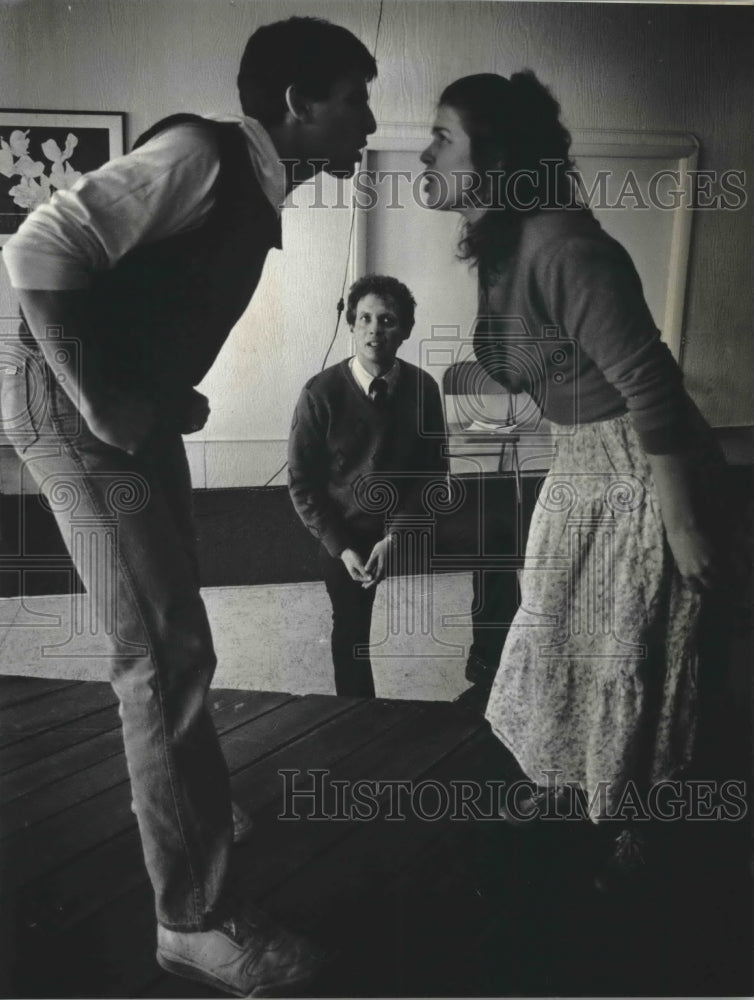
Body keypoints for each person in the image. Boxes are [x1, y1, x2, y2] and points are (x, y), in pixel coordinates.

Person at [0, 16, 376, 995]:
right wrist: (105, 399)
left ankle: (189, 797)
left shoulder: (250, 183)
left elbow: (139, 297)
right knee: (156, 658)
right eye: (355, 97)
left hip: (119, 406)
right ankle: (193, 922)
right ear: (297, 105)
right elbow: (36, 247)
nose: (368, 120)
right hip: (68, 402)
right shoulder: (205, 153)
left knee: (179, 641)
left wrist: (155, 390)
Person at [419, 71, 728, 889]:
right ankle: (587, 807)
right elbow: (531, 365)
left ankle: (642, 841)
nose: (426, 151)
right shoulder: (506, 244)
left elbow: (652, 387)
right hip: (584, 466)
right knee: (560, 642)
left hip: (643, 474)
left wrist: (684, 526)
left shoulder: (566, 246)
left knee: (630, 654)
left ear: (496, 156)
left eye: (443, 136)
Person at [287, 275, 448, 698]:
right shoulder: (320, 393)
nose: (376, 329)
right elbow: (303, 484)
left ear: (406, 330)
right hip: (347, 530)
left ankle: (483, 680)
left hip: (409, 524)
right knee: (351, 626)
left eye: (388, 320)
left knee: (496, 545)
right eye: (366, 319)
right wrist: (341, 547)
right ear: (352, 326)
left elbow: (433, 473)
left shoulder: (424, 389)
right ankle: (357, 718)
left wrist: (397, 535)